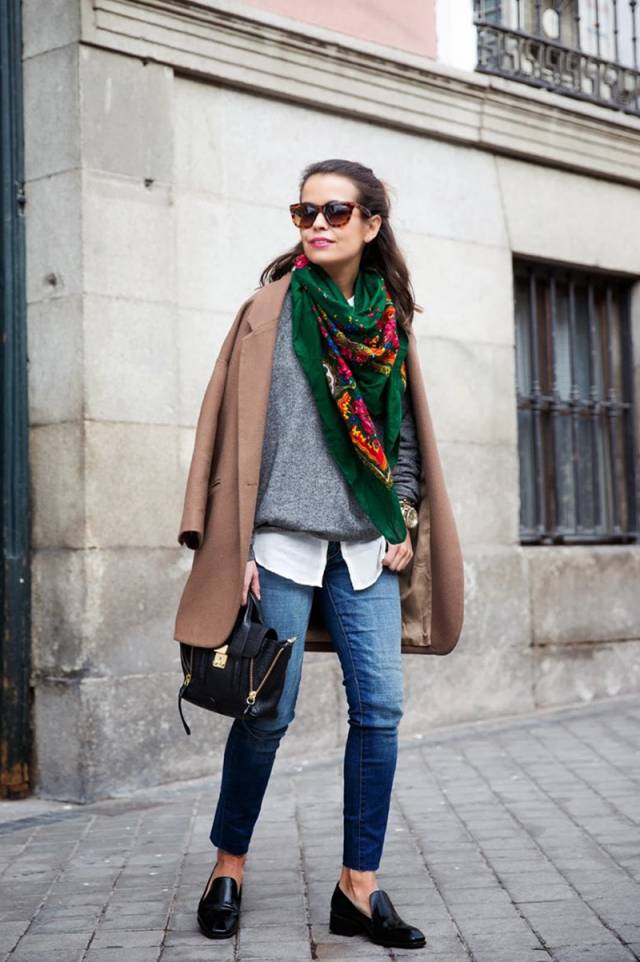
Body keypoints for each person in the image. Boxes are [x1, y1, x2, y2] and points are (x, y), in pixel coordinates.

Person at [188, 159, 431, 950]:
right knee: (267, 711)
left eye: (335, 211)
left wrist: (403, 512)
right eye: (305, 212)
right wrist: (233, 545)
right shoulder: (269, 311)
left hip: (363, 548)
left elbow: (404, 438)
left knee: (381, 712)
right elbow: (232, 433)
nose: (318, 224)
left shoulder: (389, 322)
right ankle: (228, 865)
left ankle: (358, 887)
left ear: (371, 223)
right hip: (278, 542)